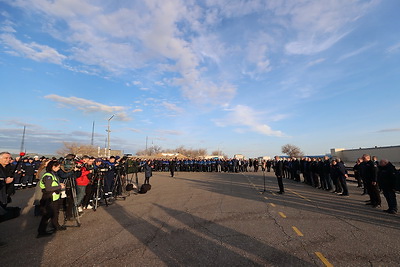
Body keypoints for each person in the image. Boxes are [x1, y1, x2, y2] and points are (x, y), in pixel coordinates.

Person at [37, 160, 66, 238]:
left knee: (55, 213)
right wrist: (60, 186)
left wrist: (58, 185)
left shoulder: (53, 174)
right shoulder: (48, 176)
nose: (59, 168)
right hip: (49, 197)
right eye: (58, 167)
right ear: (53, 167)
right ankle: (41, 231)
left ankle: (56, 226)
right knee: (47, 214)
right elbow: (48, 188)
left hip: (54, 196)